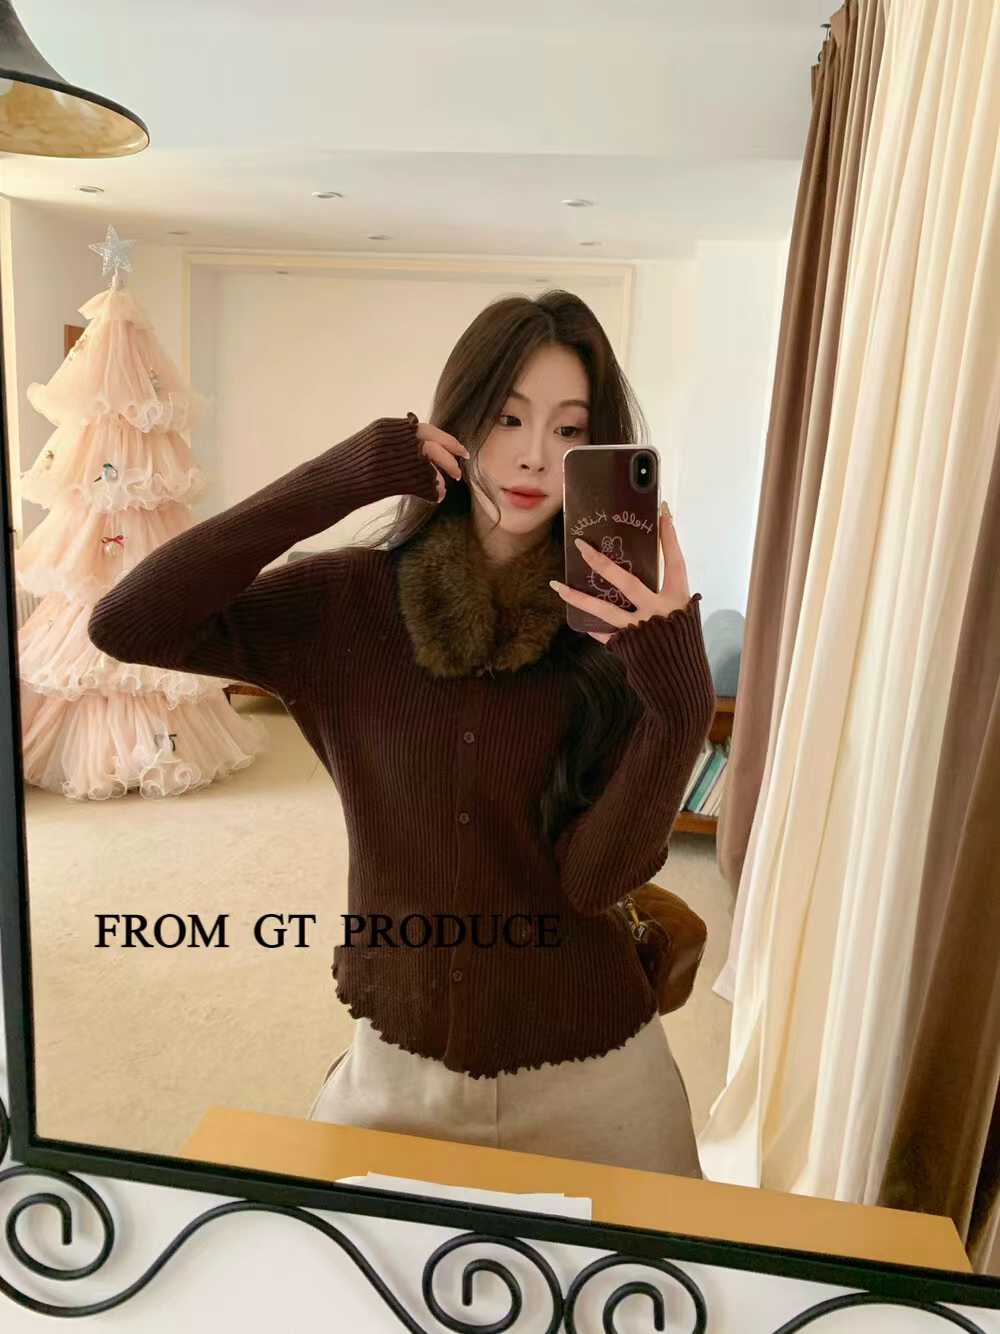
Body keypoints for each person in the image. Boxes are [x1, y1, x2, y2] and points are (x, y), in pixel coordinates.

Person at [88, 289, 716, 1176]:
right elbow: (128, 622)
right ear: (456, 423)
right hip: (396, 1062)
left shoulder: (621, 641)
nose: (535, 455)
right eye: (507, 418)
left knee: (649, 1266)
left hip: (594, 1070)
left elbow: (595, 882)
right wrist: (339, 477)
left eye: (571, 430)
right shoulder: (344, 603)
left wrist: (679, 704)